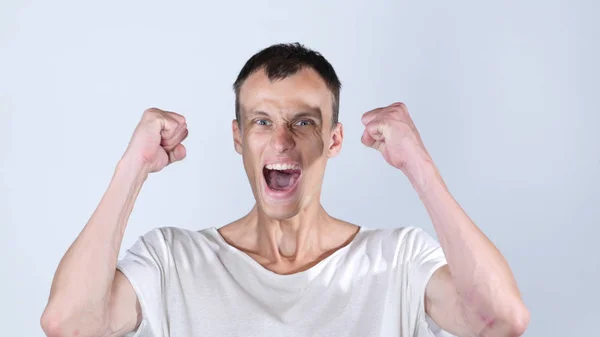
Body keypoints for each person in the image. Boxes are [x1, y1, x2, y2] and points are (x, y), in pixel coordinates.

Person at [40, 43, 529, 337]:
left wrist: (419, 166)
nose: (281, 141)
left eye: (303, 121)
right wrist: (133, 168)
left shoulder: (397, 262)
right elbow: (71, 324)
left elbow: (498, 320)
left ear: (334, 140)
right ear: (238, 137)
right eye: (261, 121)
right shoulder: (173, 261)